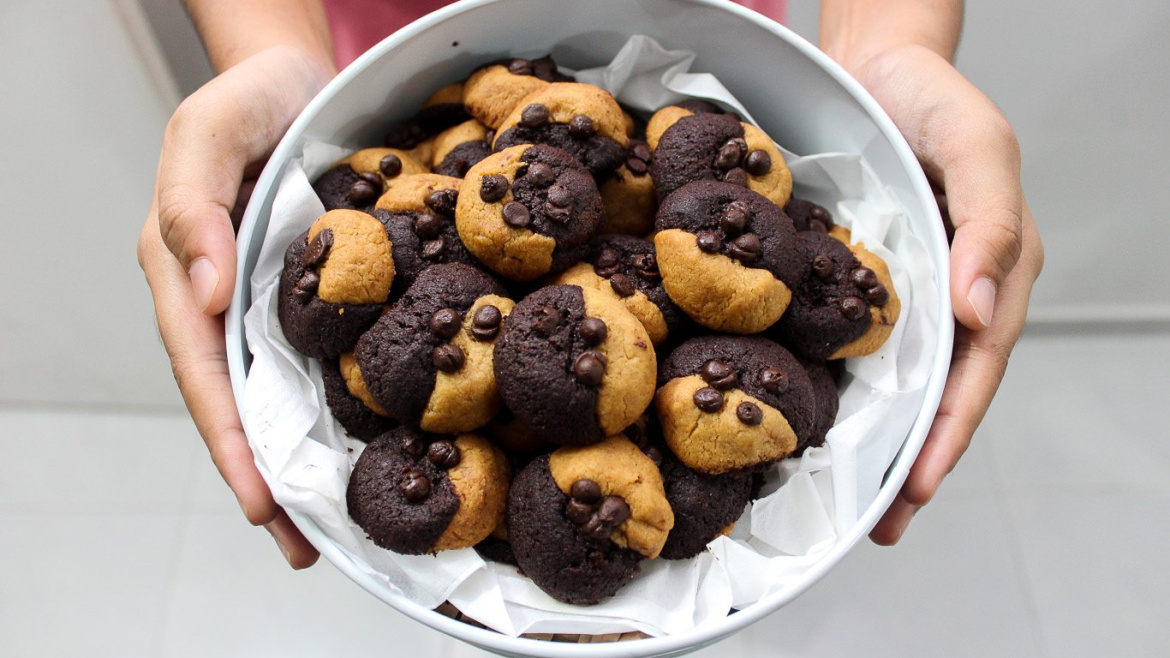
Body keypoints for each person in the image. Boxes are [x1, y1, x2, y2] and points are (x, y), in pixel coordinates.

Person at [137, 0, 1044, 569]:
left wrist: (888, 56)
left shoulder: (694, 250)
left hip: (725, 28)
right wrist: (266, 50)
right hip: (387, 48)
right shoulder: (466, 218)